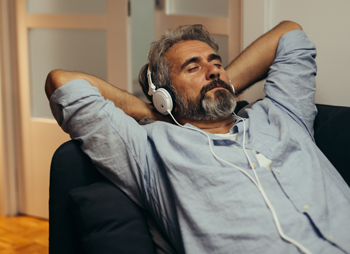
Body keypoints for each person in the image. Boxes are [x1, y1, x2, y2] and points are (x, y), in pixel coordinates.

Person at [46, 22, 350, 254]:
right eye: (193, 67)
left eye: (216, 63)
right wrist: (156, 112)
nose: (213, 71)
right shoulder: (149, 151)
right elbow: (63, 83)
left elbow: (290, 33)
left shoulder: (283, 114)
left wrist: (220, 81)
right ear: (165, 96)